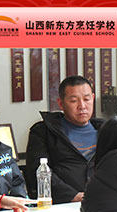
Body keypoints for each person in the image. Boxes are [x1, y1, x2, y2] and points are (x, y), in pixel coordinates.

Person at [26, 75, 105, 204]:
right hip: (61, 204)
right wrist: (73, 196)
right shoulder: (43, 132)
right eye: (74, 101)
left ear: (93, 98)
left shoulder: (107, 131)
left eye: (87, 99)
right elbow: (37, 171)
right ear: (61, 104)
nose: (82, 106)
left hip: (103, 202)